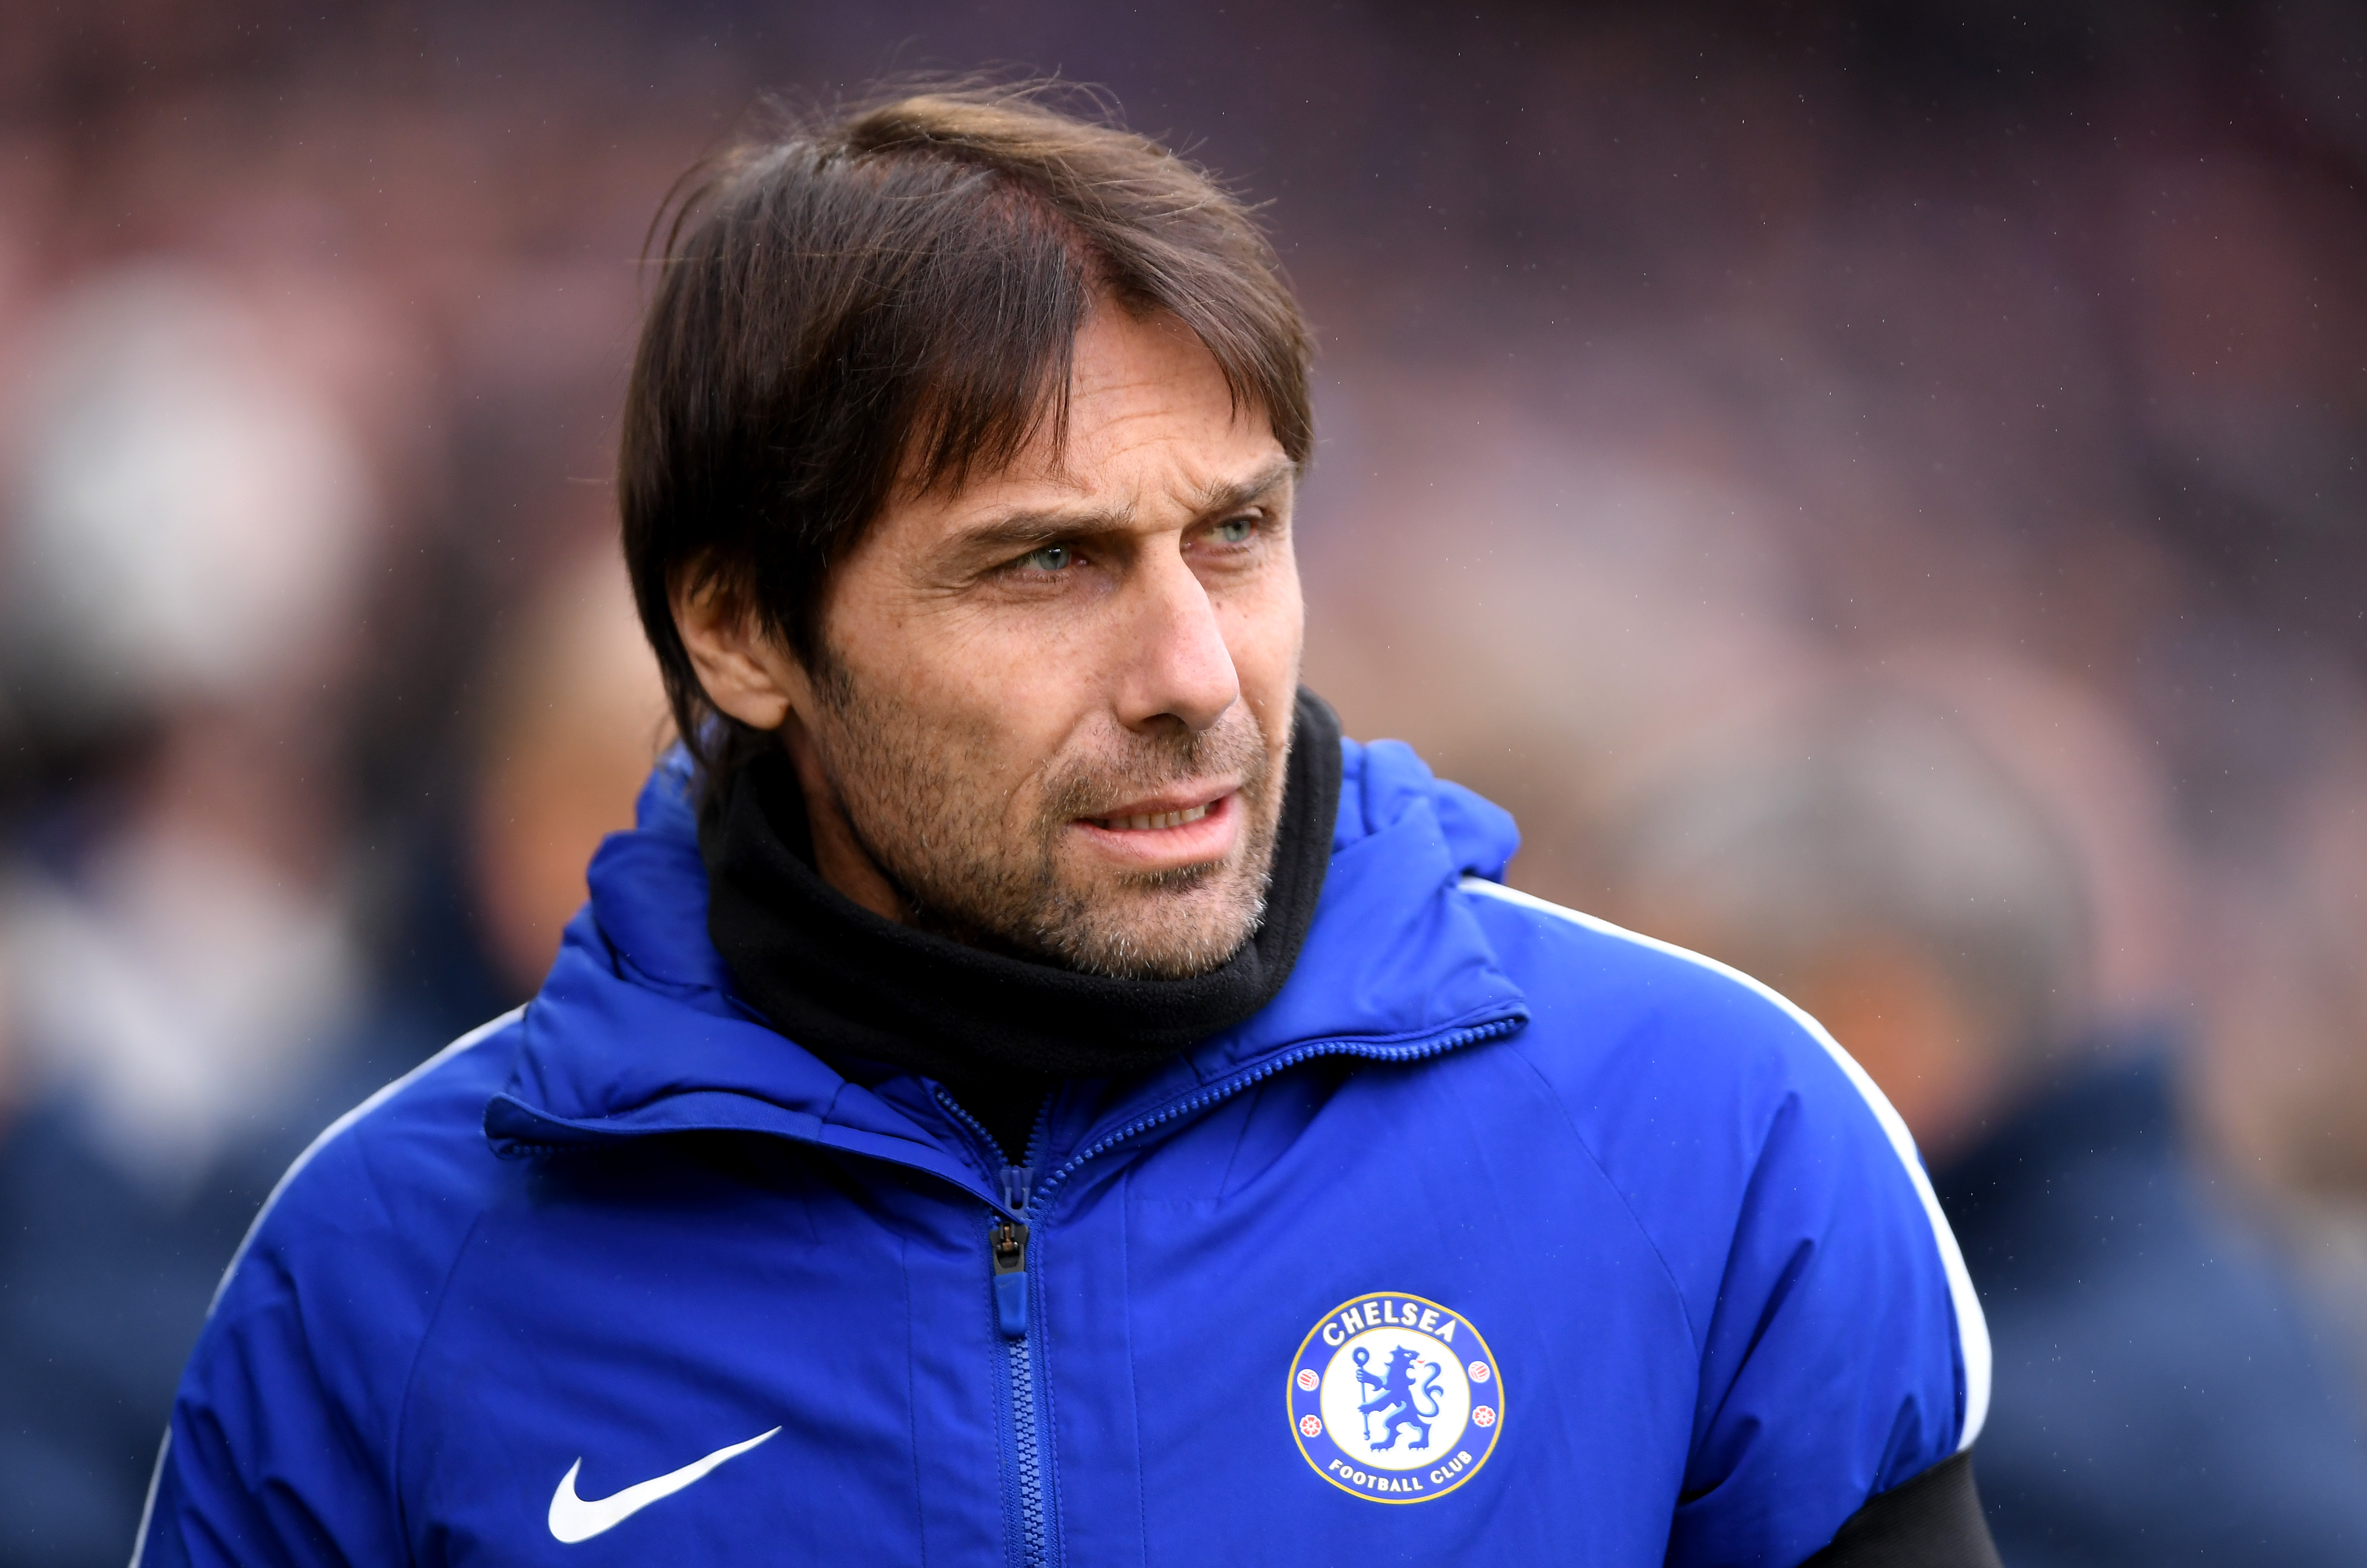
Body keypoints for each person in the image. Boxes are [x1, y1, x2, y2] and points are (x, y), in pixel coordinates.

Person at [137, 86, 1998, 1567]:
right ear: (742, 630)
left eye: (1238, 534)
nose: (1198, 672)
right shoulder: (389, 1264)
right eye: (1045, 561)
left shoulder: (1714, 1133)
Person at [1603, 681, 2367, 1566]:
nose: (1618, 1090)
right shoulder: (2162, 1282)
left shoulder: (1962, 1430)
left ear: (1875, 1020)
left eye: (1666, 1029)